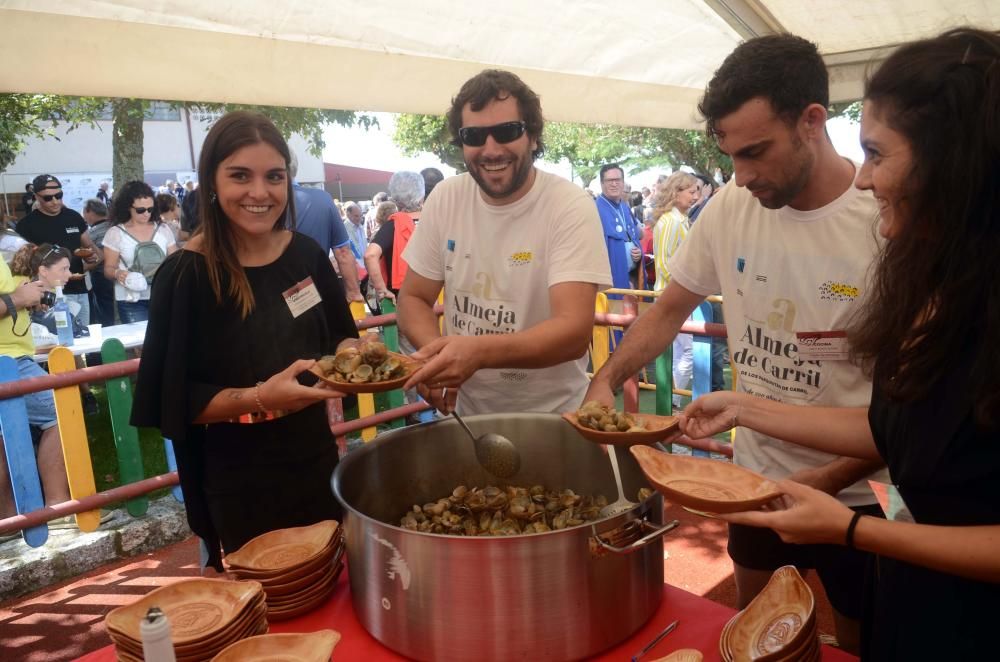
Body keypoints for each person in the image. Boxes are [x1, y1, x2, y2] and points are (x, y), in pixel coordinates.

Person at [680, 27, 1000, 661]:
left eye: (878, 155)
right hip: (920, 607)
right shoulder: (942, 283)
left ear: (956, 163)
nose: (863, 180)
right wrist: (744, 407)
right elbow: (897, 429)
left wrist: (850, 528)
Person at [584, 34, 889, 654]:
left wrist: (826, 482)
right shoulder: (728, 208)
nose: (741, 175)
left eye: (755, 152)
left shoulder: (884, 218)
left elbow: (906, 409)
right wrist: (607, 379)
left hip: (857, 494)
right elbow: (668, 309)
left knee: (855, 644)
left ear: (811, 121)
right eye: (729, 155)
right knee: (751, 635)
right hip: (751, 483)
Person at [131, 111, 359, 571]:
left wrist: (355, 359)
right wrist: (259, 398)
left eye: (274, 177)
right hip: (236, 478)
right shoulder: (186, 275)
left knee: (329, 587)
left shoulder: (306, 255)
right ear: (211, 182)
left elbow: (341, 335)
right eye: (240, 176)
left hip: (314, 457)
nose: (260, 193)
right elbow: (173, 400)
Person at [397, 69, 611, 415]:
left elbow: (573, 331)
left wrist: (476, 353)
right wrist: (438, 357)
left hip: (553, 418)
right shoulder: (446, 197)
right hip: (462, 416)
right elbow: (413, 297)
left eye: (507, 132)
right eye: (474, 136)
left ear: (533, 137)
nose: (491, 149)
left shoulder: (568, 204)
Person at [0, 250, 71, 538]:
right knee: (64, 412)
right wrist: (18, 299)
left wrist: (23, 302)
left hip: (12, 358)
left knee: (3, 435)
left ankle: (7, 522)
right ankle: (59, 508)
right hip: (9, 361)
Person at [16, 174, 101, 327]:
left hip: (79, 290)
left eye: (59, 195)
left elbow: (92, 250)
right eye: (48, 198)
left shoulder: (74, 217)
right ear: (36, 196)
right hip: (48, 294)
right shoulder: (26, 225)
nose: (55, 201)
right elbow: (24, 264)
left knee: (84, 340)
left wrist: (90, 260)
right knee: (56, 341)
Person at [651, 171, 700, 406]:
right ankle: (673, 399)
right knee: (688, 351)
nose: (695, 196)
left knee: (681, 351)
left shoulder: (678, 219)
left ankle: (671, 398)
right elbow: (665, 264)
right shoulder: (671, 221)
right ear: (676, 192)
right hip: (674, 296)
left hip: (675, 295)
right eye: (691, 192)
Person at [288, 153, 363, 304]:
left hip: (265, 295)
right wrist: (354, 293)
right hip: (312, 292)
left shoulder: (258, 202)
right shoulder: (322, 199)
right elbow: (343, 253)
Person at [102, 181, 177, 324]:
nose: (146, 214)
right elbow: (108, 269)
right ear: (128, 207)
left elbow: (175, 261)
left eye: (150, 209)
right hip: (130, 299)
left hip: (163, 294)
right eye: (140, 210)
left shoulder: (163, 229)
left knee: (165, 341)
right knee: (139, 344)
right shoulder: (116, 233)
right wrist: (118, 273)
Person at [363, 171, 425, 306]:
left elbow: (370, 255)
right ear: (421, 196)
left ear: (395, 199)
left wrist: (382, 290)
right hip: (437, 294)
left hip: (402, 298)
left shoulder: (393, 225)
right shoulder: (434, 220)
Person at [596, 163, 642, 294]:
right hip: (611, 281)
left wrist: (638, 253)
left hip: (631, 277)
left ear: (623, 182)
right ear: (602, 184)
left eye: (618, 180)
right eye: (609, 180)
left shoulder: (625, 207)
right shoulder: (595, 209)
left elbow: (634, 237)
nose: (614, 184)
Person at [342, 201, 368, 297]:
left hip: (364, 265)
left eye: (360, 216)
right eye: (356, 216)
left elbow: (363, 245)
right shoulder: (344, 228)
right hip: (354, 267)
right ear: (348, 214)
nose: (359, 219)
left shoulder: (360, 227)